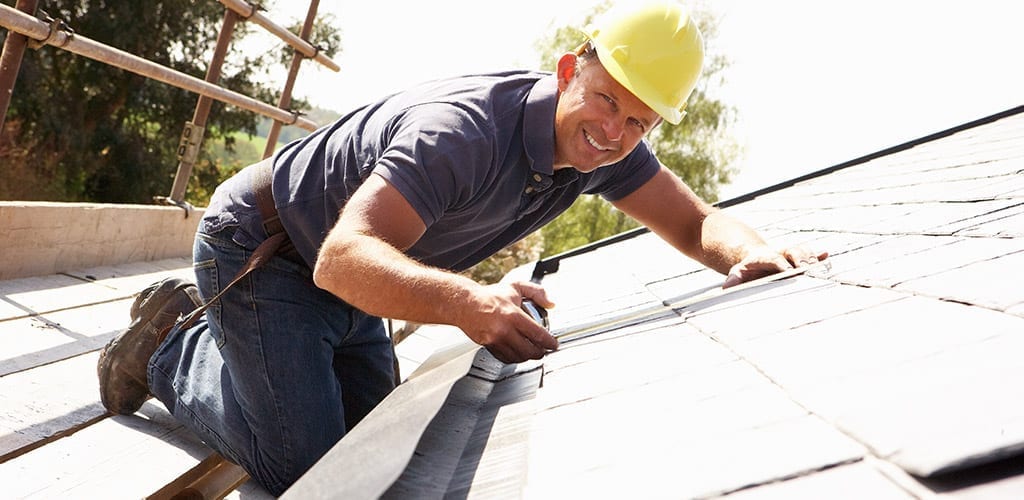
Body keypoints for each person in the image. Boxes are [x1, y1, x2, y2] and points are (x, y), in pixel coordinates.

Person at [97, 1, 826, 495]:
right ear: (572, 70)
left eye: (639, 122)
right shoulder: (464, 134)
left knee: (374, 448)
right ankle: (167, 343)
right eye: (607, 101)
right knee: (311, 470)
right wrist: (470, 302)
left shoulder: (603, 150)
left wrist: (752, 254)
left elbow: (697, 225)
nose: (614, 134)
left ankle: (231, 348)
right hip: (268, 252)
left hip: (353, 279)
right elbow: (342, 257)